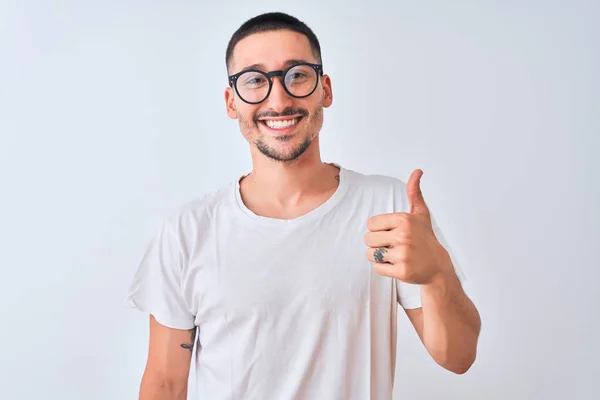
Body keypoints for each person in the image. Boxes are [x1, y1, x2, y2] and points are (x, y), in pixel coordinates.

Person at [126, 11, 481, 400]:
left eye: (297, 75)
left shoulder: (387, 207)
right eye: (255, 80)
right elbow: (164, 382)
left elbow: (458, 357)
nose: (278, 100)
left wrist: (437, 273)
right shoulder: (189, 229)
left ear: (325, 89)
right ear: (231, 102)